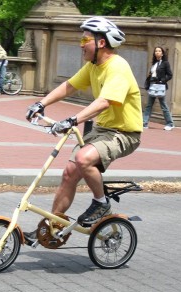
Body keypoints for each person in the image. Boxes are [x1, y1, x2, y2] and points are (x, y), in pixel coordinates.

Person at [24, 17, 143, 244]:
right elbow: (69, 86)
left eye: (85, 39)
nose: (81, 44)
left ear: (100, 43)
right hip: (102, 130)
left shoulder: (118, 67)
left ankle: (100, 202)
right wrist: (41, 103)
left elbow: (105, 101)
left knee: (83, 158)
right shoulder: (93, 67)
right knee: (69, 174)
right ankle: (52, 228)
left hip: (124, 134)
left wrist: (72, 119)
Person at [143, 47, 174, 130]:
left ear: (162, 53)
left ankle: (170, 123)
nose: (157, 52)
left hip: (160, 85)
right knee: (149, 105)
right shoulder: (154, 63)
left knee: (163, 105)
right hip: (152, 85)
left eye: (159, 51)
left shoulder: (165, 63)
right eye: (156, 51)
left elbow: (170, 75)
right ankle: (144, 123)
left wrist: (162, 81)